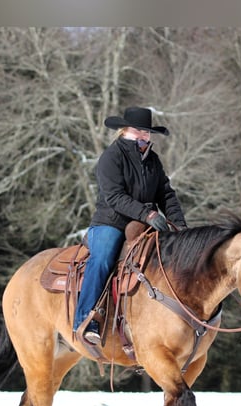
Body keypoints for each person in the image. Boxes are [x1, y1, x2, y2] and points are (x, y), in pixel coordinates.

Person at [73, 106, 188, 345]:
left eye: (147, 132)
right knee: (103, 257)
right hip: (110, 222)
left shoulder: (152, 160)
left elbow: (166, 194)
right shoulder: (111, 157)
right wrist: (147, 214)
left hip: (144, 223)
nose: (144, 135)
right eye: (139, 131)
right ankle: (85, 318)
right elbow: (114, 196)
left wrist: (179, 226)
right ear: (125, 130)